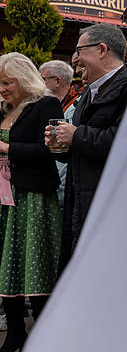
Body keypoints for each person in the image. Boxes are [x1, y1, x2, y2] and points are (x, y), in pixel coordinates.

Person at [0, 53, 62, 352]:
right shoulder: (4, 110)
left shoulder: (46, 105)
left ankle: (45, 339)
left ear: (24, 78)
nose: (2, 89)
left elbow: (50, 152)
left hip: (31, 198)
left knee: (33, 264)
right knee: (6, 264)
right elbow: (2, 153)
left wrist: (5, 147)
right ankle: (15, 333)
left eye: (7, 82)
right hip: (1, 196)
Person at [46, 23, 126, 270]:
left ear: (102, 50)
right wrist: (61, 146)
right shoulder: (89, 92)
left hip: (113, 208)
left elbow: (120, 143)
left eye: (80, 51)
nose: (75, 59)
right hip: (82, 204)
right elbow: (84, 148)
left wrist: (76, 135)